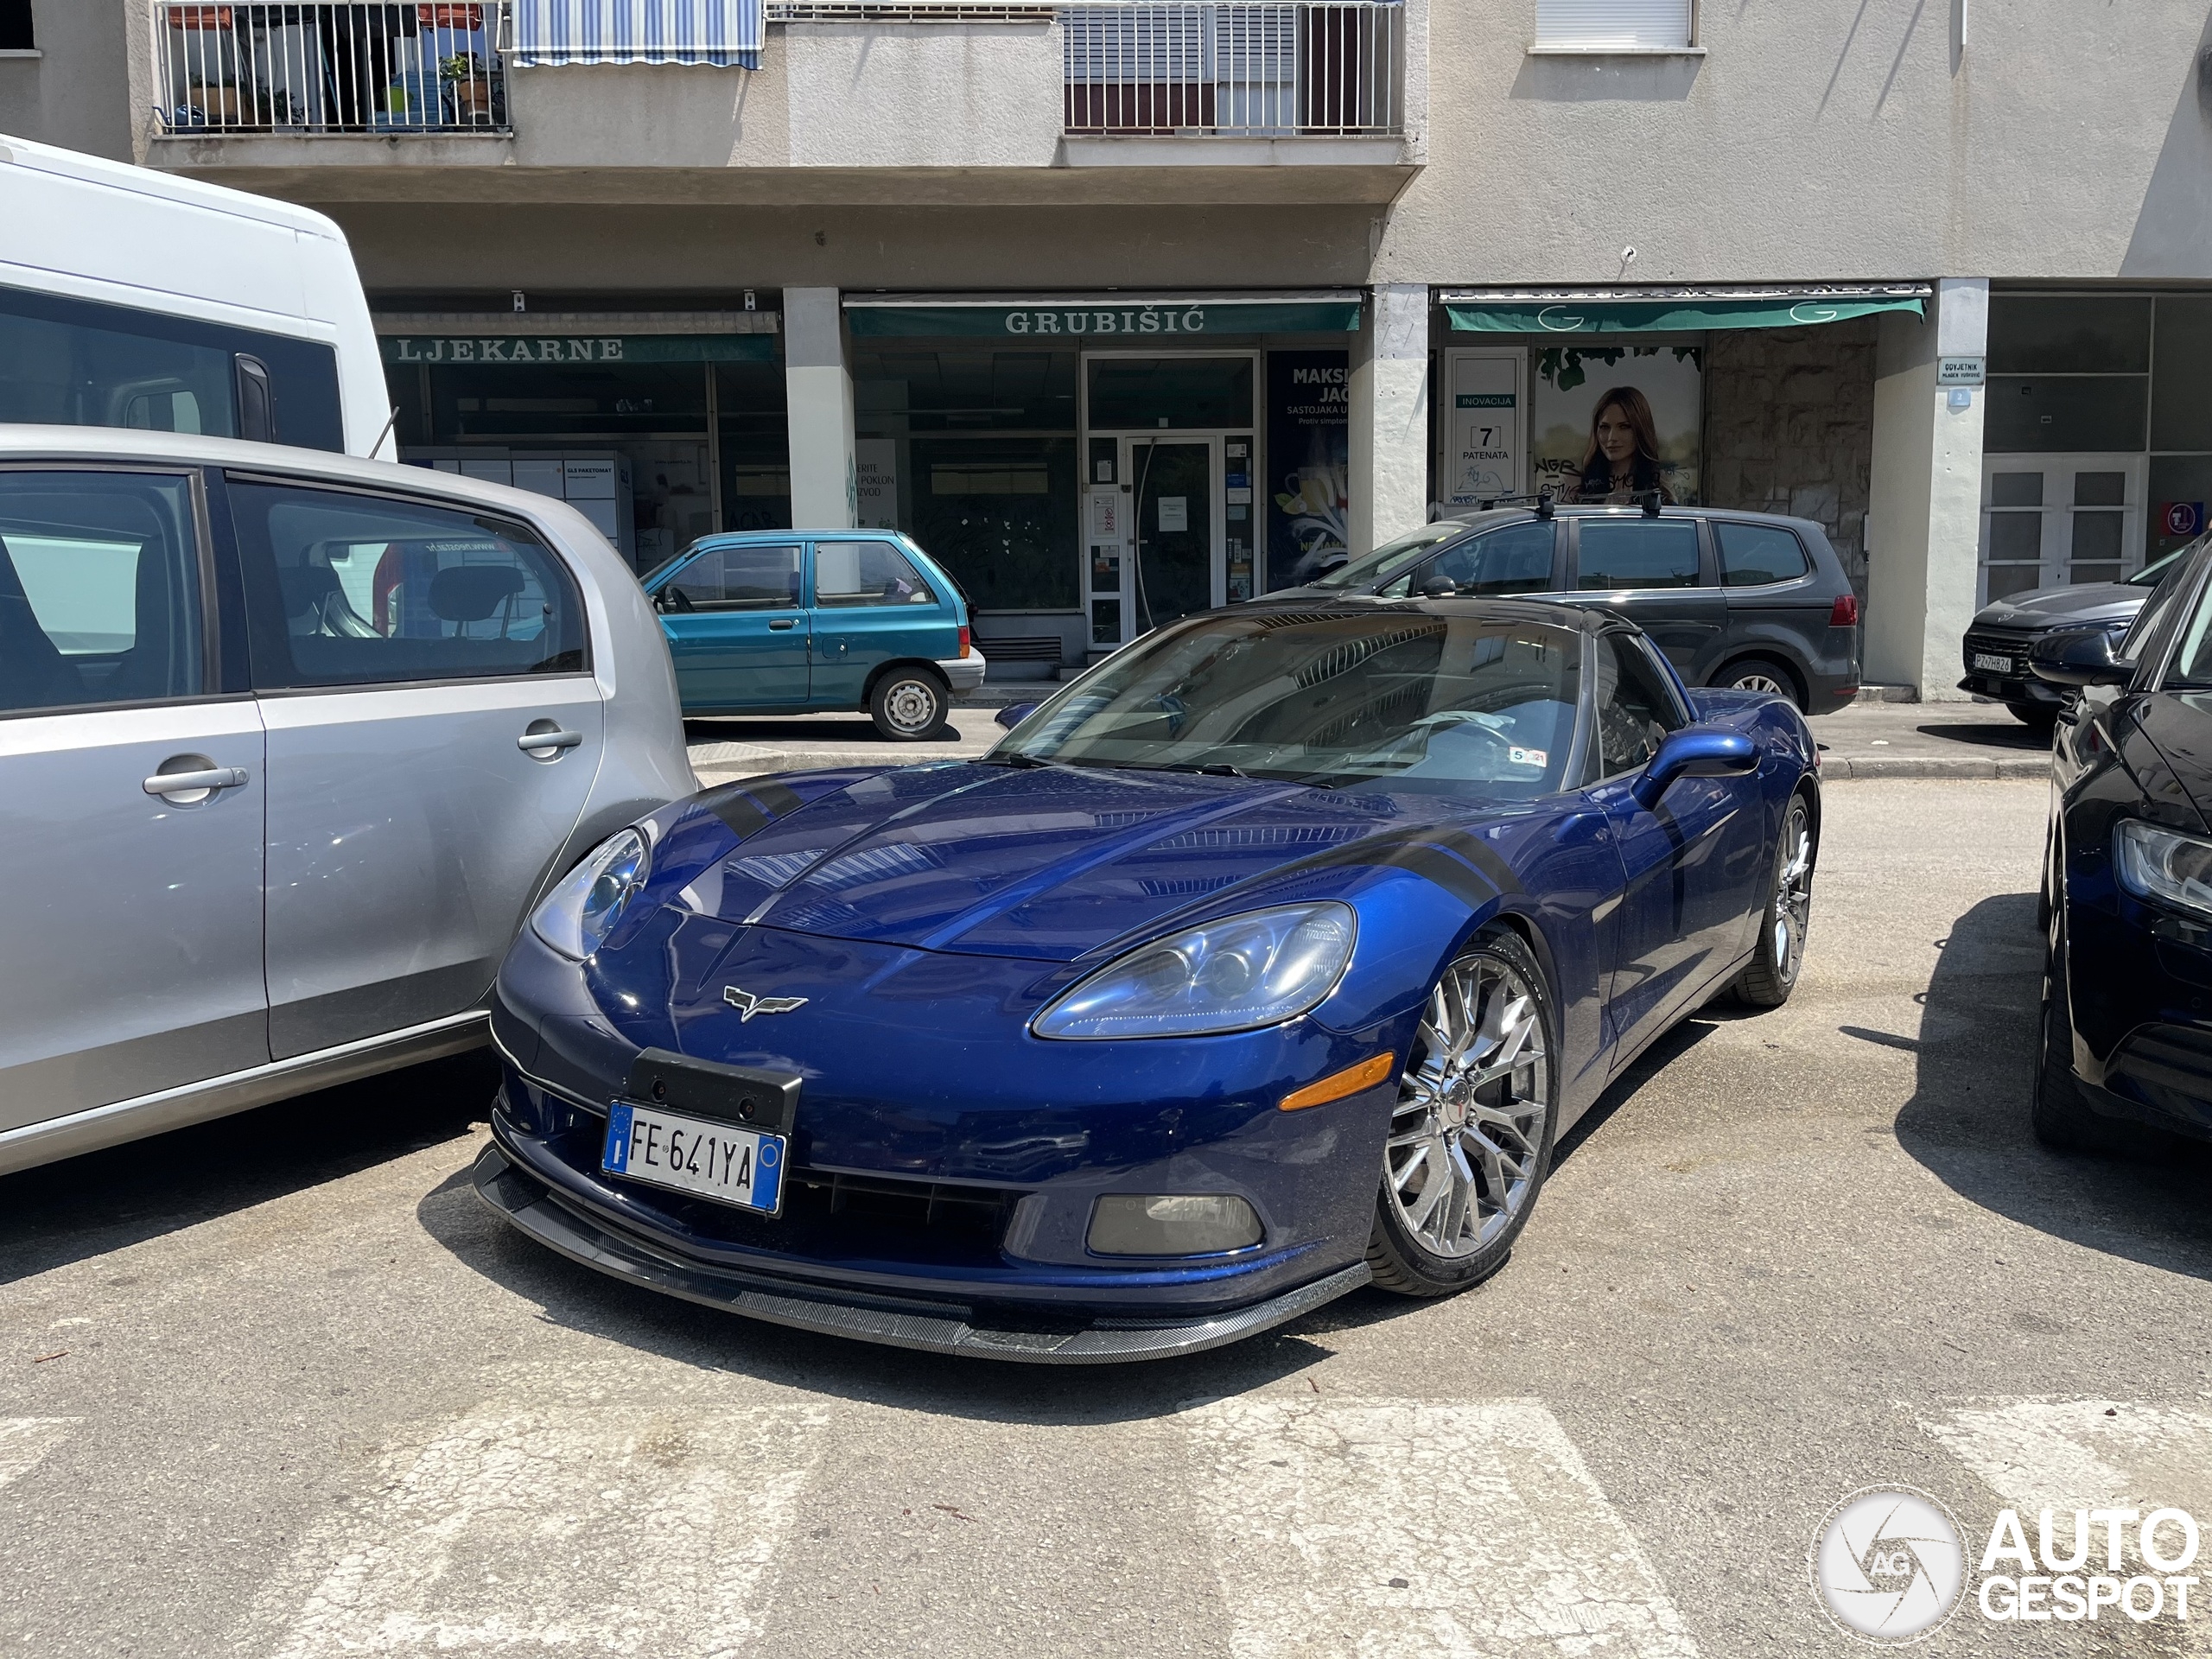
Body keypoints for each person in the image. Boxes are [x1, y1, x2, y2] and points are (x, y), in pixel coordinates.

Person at [1560, 385, 1675, 505]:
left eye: (1624, 427)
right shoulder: (1575, 482)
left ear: (1640, 430)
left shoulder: (1661, 484)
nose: (1612, 438)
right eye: (1605, 427)